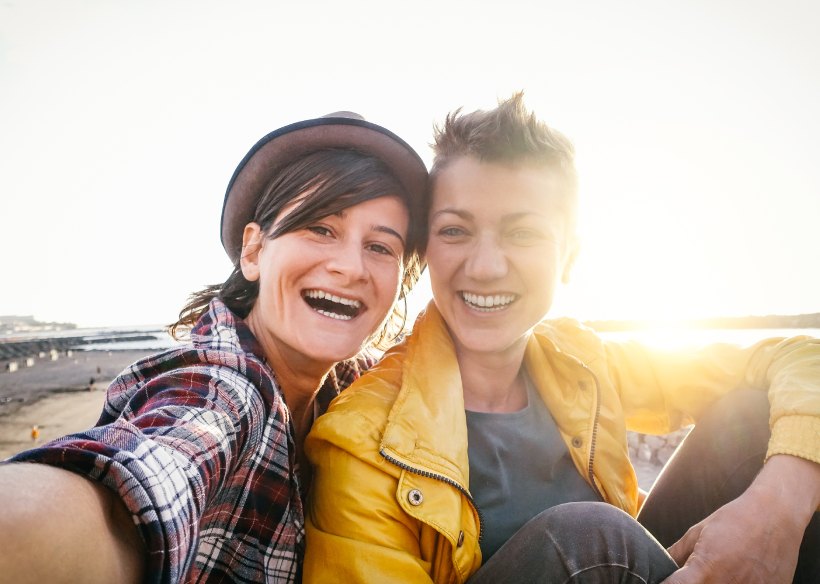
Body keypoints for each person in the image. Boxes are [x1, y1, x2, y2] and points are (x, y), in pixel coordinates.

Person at [304, 94, 820, 583]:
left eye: (522, 233)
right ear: (426, 249)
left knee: (755, 421)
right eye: (455, 231)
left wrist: (776, 511)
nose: (485, 267)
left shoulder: (584, 361)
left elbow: (796, 357)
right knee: (588, 541)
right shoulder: (361, 441)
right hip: (601, 558)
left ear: (569, 256)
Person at [0, 111, 427, 583]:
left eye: (381, 247)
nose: (350, 267)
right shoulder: (224, 392)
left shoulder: (357, 385)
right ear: (253, 251)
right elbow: (157, 470)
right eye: (320, 228)